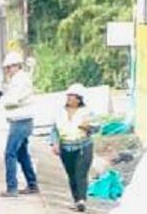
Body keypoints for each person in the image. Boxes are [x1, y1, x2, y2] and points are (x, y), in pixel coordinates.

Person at [0, 51, 38, 197]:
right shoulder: (20, 79)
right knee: (22, 154)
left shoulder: (19, 80)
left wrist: (0, 97)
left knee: (10, 153)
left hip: (20, 121)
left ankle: (12, 187)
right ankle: (32, 184)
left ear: (16, 66)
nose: (7, 70)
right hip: (22, 120)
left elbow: (12, 101)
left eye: (9, 67)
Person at [49, 83, 94, 212]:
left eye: (72, 96)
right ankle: (76, 200)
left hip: (83, 146)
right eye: (68, 96)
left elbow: (96, 127)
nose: (69, 98)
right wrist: (55, 144)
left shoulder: (87, 111)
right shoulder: (60, 111)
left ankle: (82, 200)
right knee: (71, 174)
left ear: (79, 99)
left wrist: (87, 127)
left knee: (81, 174)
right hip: (66, 147)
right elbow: (54, 129)